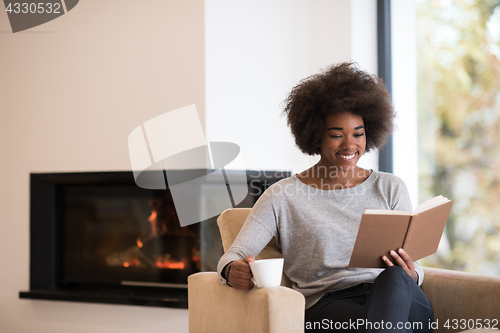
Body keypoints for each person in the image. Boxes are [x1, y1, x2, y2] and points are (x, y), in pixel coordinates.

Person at [217, 62, 434, 333]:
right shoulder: (283, 195)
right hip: (330, 307)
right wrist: (230, 271)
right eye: (336, 135)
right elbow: (232, 256)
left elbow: (414, 269)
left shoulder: (390, 187)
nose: (350, 145)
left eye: (358, 134)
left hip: (401, 297)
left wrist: (412, 273)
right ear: (315, 135)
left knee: (393, 280)